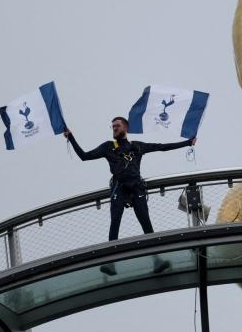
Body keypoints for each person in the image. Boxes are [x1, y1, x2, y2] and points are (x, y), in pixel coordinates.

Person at [65, 117, 195, 273]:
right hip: (119, 187)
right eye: (112, 126)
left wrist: (187, 143)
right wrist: (71, 137)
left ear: (125, 127)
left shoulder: (136, 147)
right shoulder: (108, 147)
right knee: (115, 220)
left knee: (146, 222)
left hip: (136, 187)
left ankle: (157, 261)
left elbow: (161, 147)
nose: (114, 129)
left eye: (117, 126)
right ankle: (110, 263)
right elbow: (84, 156)